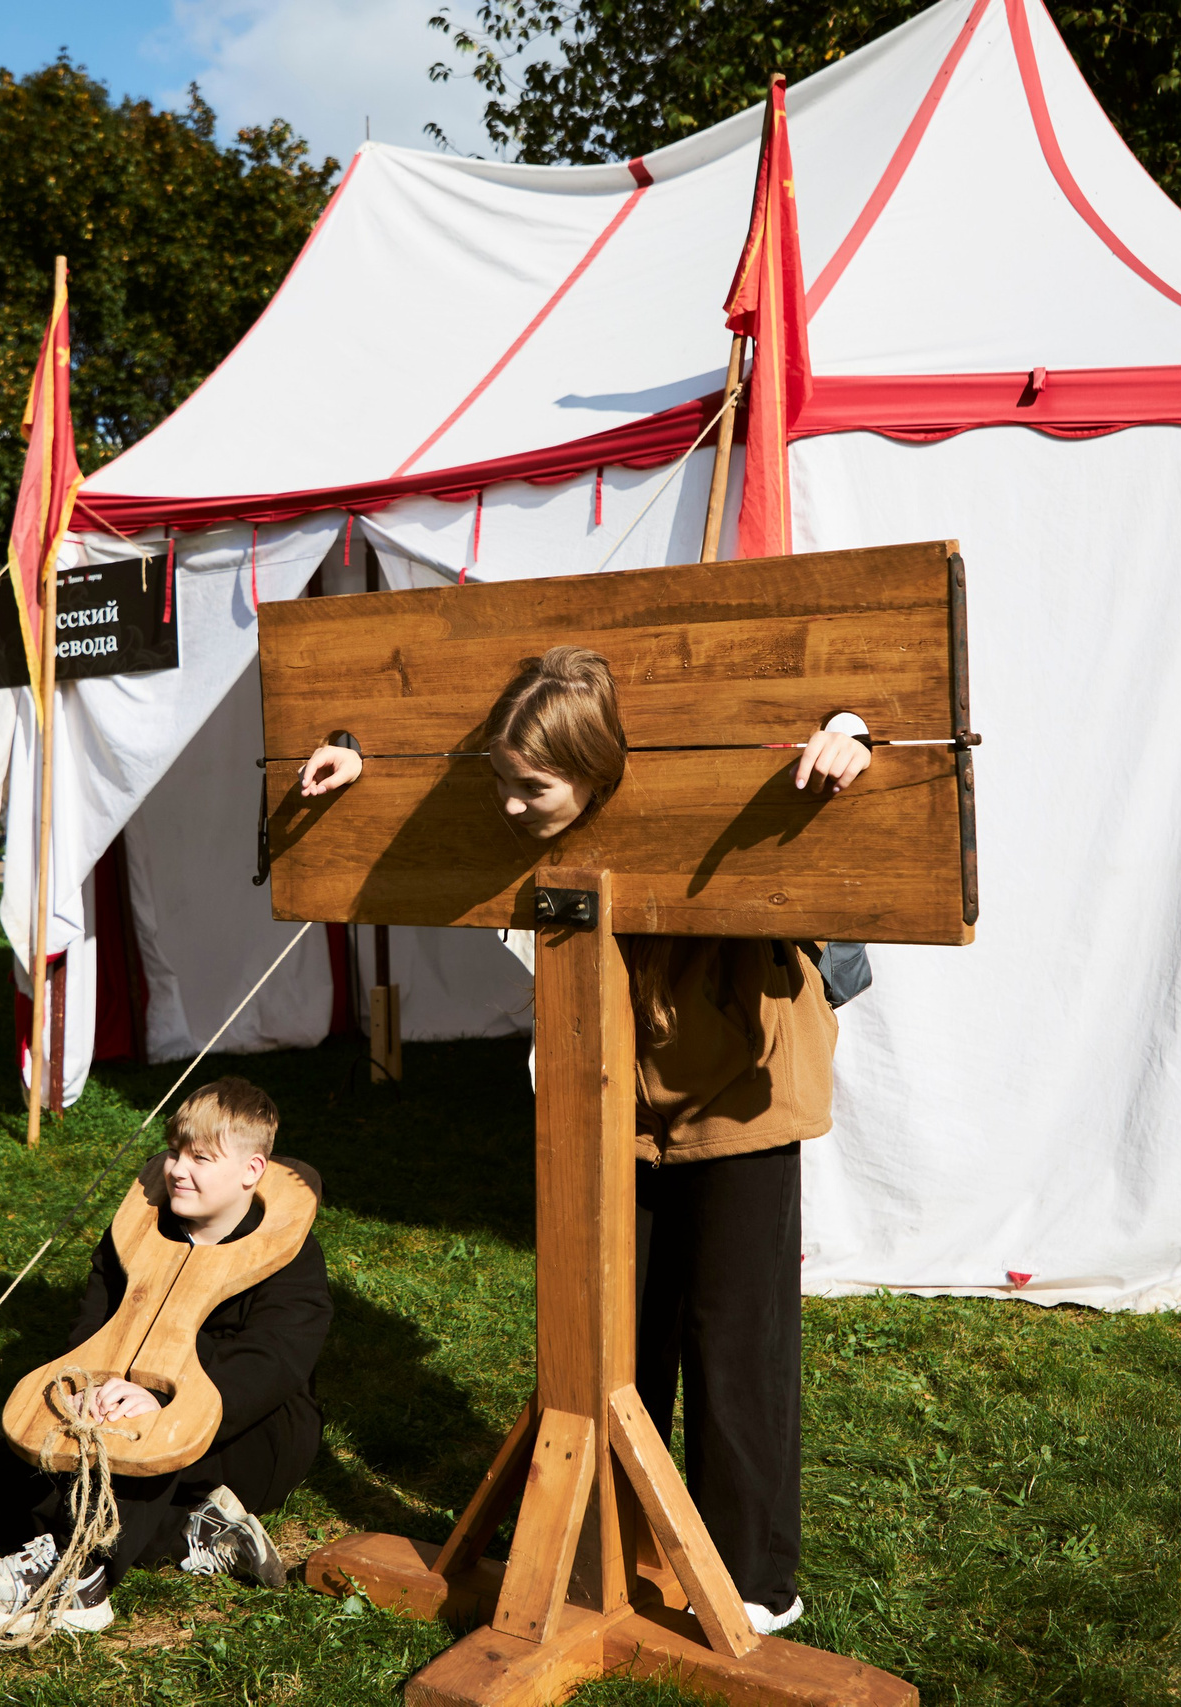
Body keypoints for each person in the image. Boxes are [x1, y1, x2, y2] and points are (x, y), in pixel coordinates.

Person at [293, 645, 869, 1637]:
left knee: (733, 1333)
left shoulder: (692, 786)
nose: (511, 805)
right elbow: (431, 771)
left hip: (744, 1082)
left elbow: (858, 730)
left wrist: (852, 734)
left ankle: (753, 1573)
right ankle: (613, 1533)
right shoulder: (523, 814)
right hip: (608, 1078)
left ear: (598, 770)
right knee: (613, 1324)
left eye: (533, 786)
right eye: (500, 783)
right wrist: (357, 755)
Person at [0, 1078, 331, 1634]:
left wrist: (161, 1396)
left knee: (137, 1451)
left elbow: (273, 1361)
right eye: (174, 1151)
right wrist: (92, 1384)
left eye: (201, 1158)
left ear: (251, 1171)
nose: (178, 1169)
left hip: (251, 1432)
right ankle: (196, 1531)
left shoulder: (287, 1251)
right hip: (117, 1396)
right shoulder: (140, 1231)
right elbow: (93, 1322)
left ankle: (78, 1579)